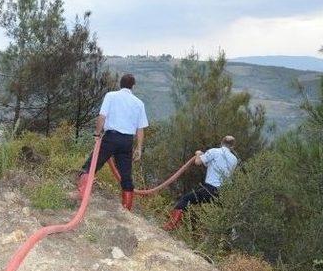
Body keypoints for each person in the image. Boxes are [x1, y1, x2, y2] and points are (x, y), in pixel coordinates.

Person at [75, 73, 149, 211]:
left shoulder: (111, 96)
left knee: (90, 166)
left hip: (111, 138)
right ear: (133, 86)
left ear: (120, 84)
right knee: (126, 175)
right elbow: (140, 129)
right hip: (127, 142)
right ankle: (127, 208)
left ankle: (82, 195)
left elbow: (102, 116)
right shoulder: (139, 103)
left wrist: (97, 134)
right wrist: (138, 148)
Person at [163, 135, 238, 231]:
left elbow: (198, 162)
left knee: (185, 199)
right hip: (223, 193)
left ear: (221, 143)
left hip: (210, 189)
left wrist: (198, 154)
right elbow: (219, 168)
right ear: (232, 147)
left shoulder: (214, 151)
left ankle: (171, 226)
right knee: (220, 216)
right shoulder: (234, 160)